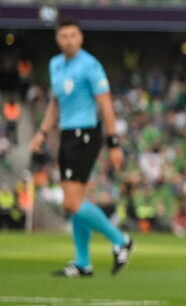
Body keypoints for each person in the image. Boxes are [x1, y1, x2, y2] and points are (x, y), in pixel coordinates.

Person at [30, 17, 134, 277]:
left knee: (73, 204)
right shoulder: (56, 65)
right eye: (64, 36)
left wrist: (113, 142)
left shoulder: (90, 65)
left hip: (86, 134)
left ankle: (120, 240)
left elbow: (106, 104)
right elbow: (55, 104)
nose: (69, 40)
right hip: (66, 135)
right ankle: (83, 262)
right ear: (57, 39)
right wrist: (42, 132)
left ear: (81, 37)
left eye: (73, 35)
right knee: (73, 203)